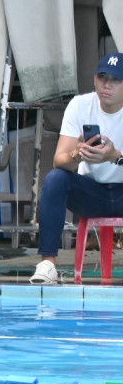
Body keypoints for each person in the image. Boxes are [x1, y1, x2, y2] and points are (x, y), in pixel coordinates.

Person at [30, 53, 123, 285]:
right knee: (55, 179)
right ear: (94, 79)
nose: (107, 84)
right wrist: (77, 154)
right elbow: (59, 160)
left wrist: (114, 156)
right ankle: (48, 264)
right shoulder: (80, 105)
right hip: (92, 193)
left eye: (115, 79)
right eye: (102, 77)